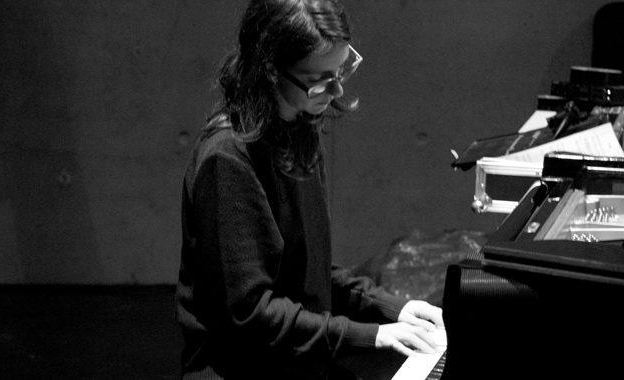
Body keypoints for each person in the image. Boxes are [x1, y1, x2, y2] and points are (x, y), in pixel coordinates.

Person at [175, 1, 444, 379]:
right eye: (320, 78)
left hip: (295, 361)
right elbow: (251, 313)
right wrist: (372, 335)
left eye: (341, 71)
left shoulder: (298, 132)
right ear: (269, 71)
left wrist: (390, 307)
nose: (335, 91)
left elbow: (305, 273)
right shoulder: (228, 160)